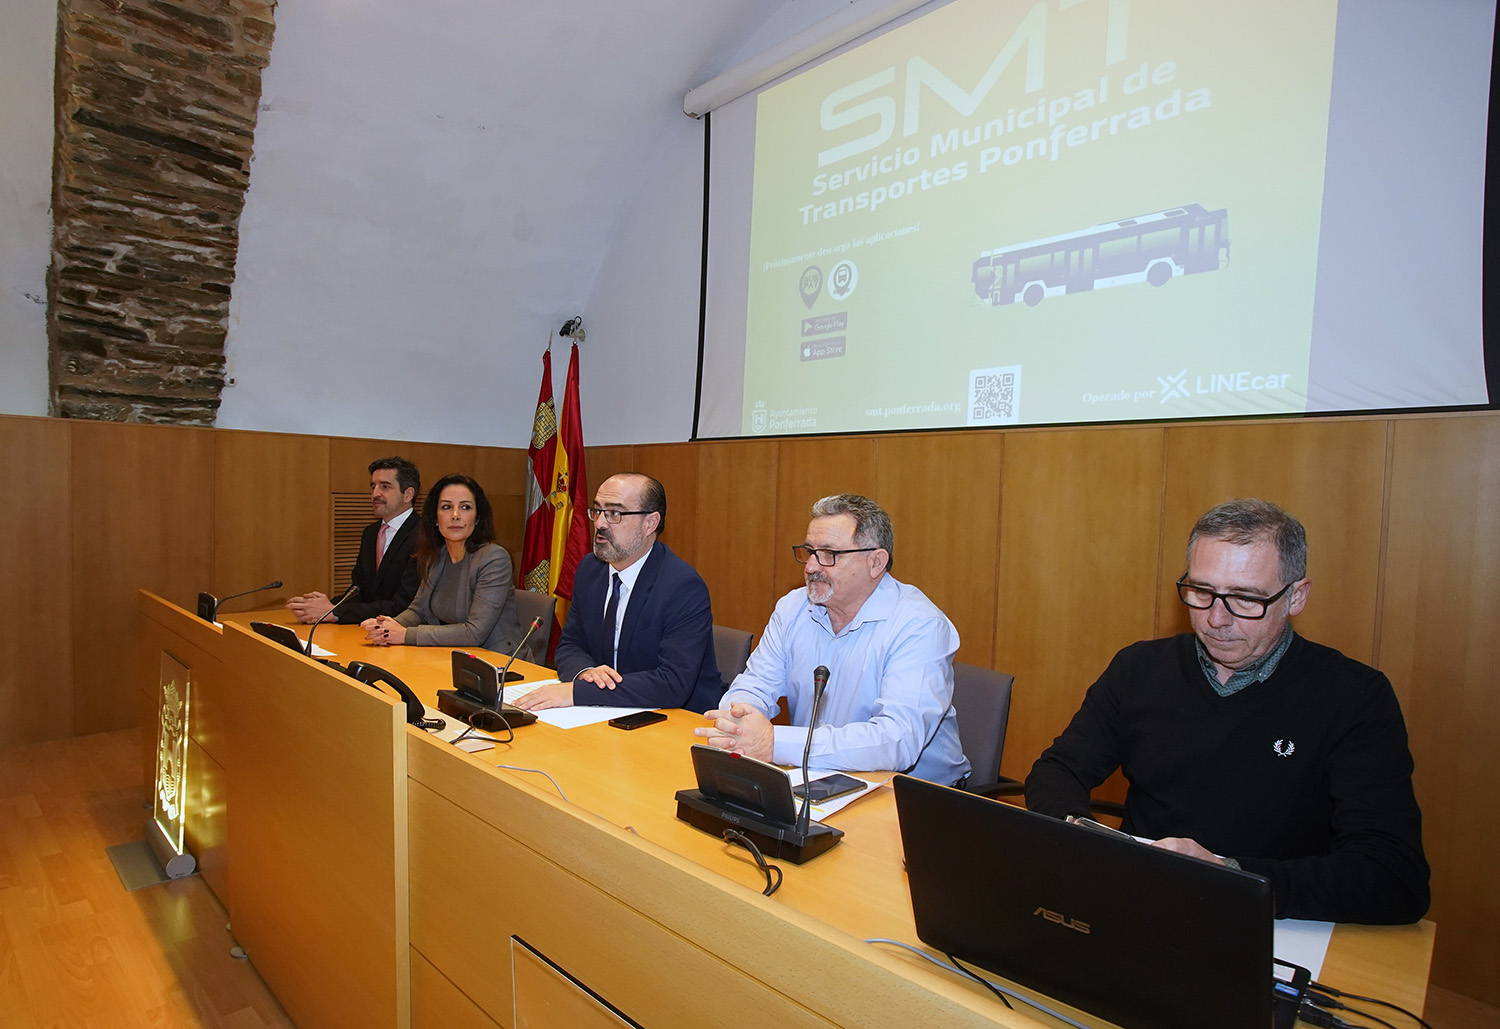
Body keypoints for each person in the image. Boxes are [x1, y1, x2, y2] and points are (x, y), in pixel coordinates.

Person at [1025, 499, 1430, 924]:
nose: (1217, 619)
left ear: (1296, 596)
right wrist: (1084, 836)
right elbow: (1058, 770)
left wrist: (1230, 877)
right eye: (1202, 592)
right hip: (1137, 902)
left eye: (1245, 598)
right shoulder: (1140, 668)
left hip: (1270, 923)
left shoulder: (1355, 697)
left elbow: (1395, 876)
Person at [696, 494, 969, 786]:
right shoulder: (794, 608)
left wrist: (775, 742)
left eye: (829, 554)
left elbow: (896, 741)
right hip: (815, 778)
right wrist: (738, 720)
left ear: (875, 562)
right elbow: (756, 685)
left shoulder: (920, 626)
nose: (811, 567)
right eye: (809, 551)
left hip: (912, 795)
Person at [515, 473, 725, 714]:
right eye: (597, 511)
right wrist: (585, 673)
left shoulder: (682, 587)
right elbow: (570, 645)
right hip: (609, 712)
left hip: (677, 720)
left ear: (650, 523)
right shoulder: (590, 569)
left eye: (615, 513)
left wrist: (577, 692)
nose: (601, 523)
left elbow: (672, 683)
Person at [361, 473, 524, 654]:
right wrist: (387, 628)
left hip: (499, 664)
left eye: (465, 507)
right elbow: (417, 611)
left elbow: (474, 632)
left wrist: (405, 635)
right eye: (446, 507)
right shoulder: (437, 556)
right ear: (435, 519)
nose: (455, 515)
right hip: (452, 656)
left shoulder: (494, 558)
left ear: (477, 518)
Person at [287, 456, 422, 625]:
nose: (374, 494)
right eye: (373, 487)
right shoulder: (371, 533)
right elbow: (359, 591)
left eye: (385, 487)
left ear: (408, 494)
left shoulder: (424, 536)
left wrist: (335, 612)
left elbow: (404, 606)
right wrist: (323, 607)